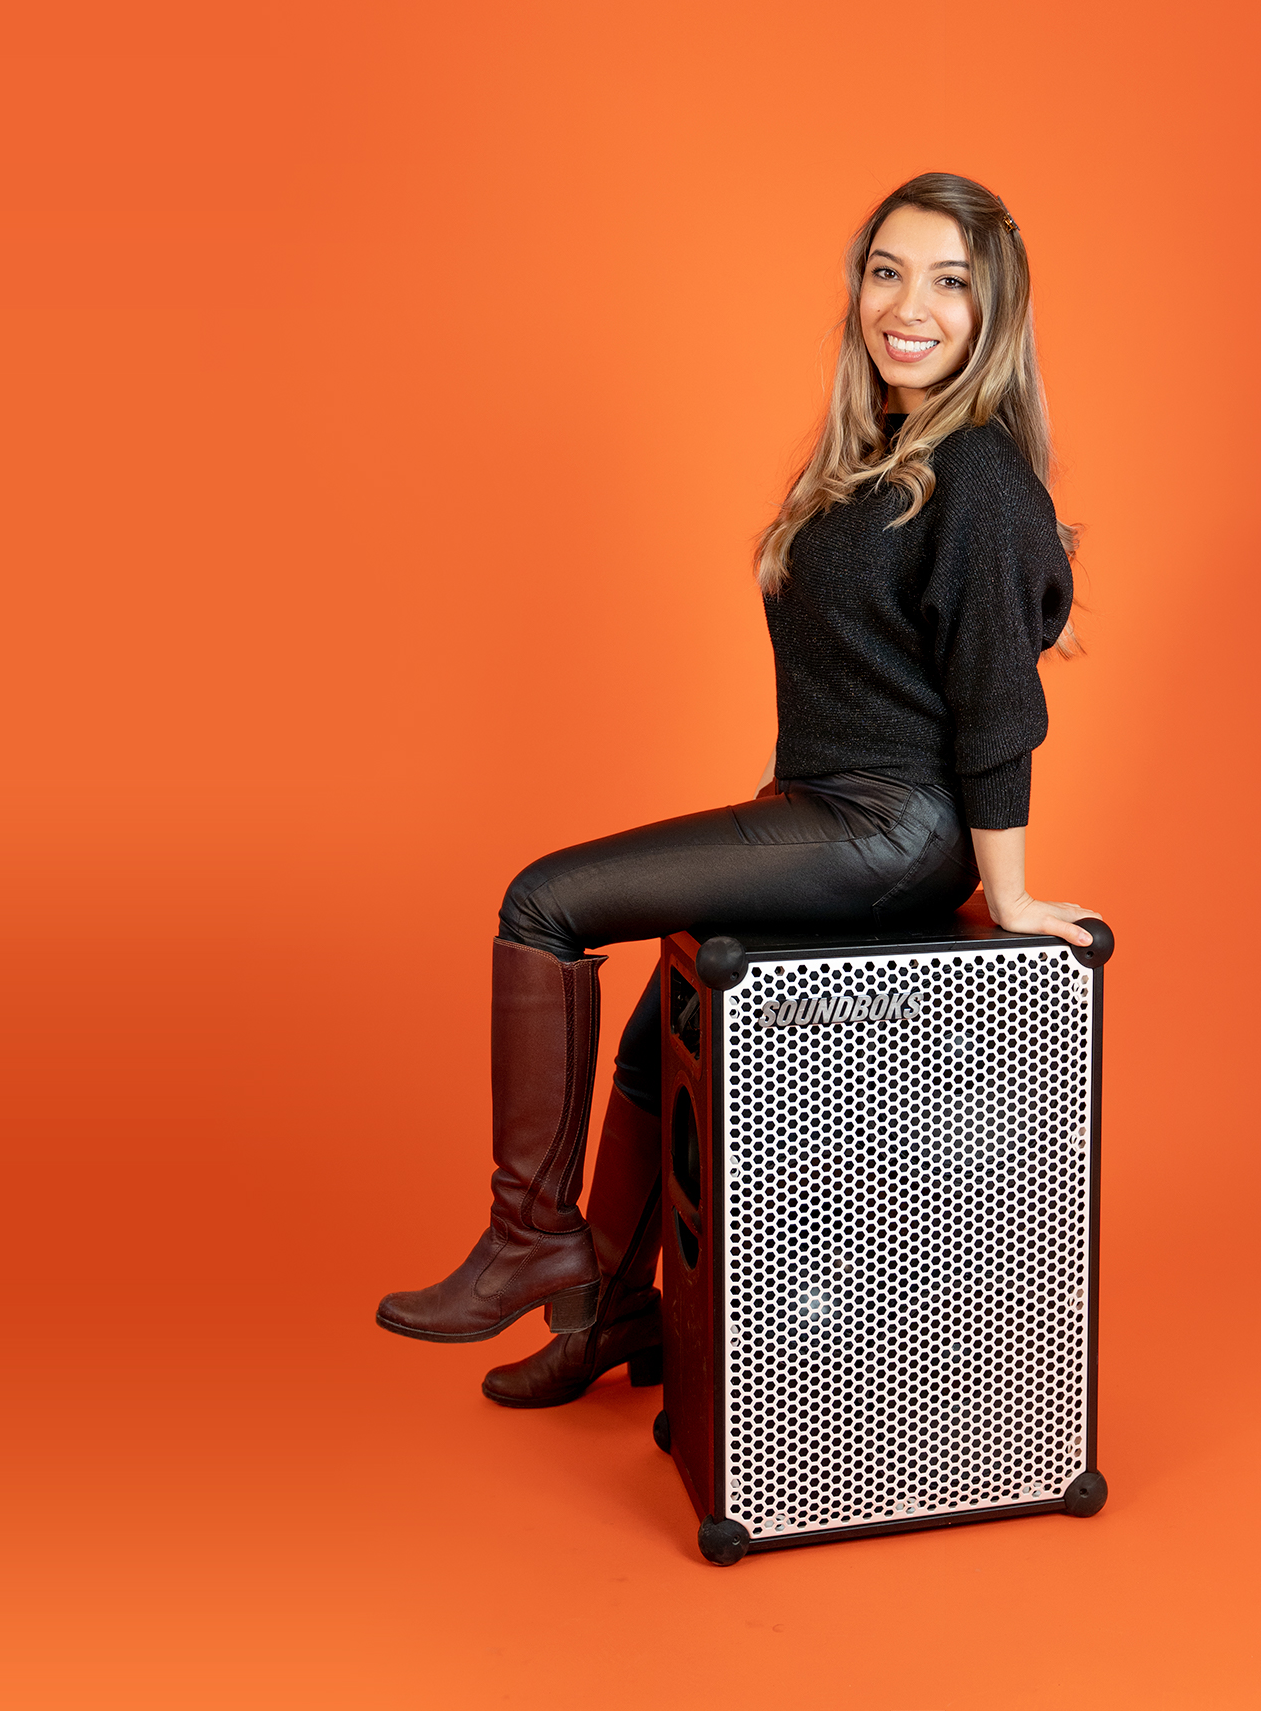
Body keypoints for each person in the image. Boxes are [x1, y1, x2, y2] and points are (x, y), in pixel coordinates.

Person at [375, 171, 1103, 1408]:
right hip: (822, 807)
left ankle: (531, 1237)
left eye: (947, 281)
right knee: (667, 1018)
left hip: (888, 825)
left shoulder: (975, 478)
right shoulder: (876, 461)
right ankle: (614, 1311)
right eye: (885, 271)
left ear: (995, 314)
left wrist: (1011, 894)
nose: (906, 306)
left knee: (541, 901)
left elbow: (992, 702)